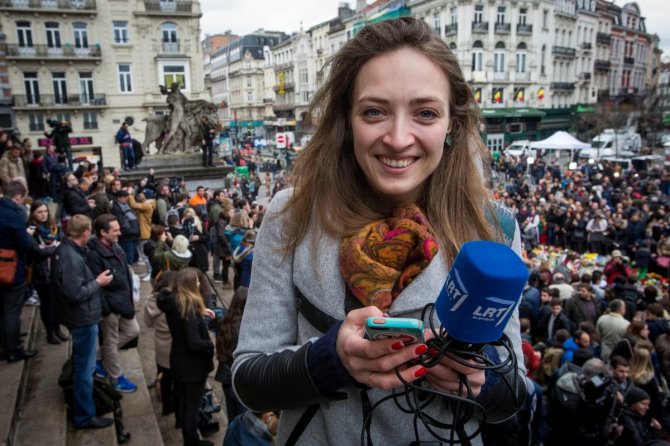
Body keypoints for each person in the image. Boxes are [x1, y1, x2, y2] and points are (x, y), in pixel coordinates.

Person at [231, 18, 525, 445]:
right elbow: (248, 381)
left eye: (425, 112)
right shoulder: (291, 215)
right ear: (347, 121)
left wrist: (482, 382)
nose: (398, 137)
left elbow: (513, 393)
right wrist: (329, 360)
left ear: (452, 125)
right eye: (374, 111)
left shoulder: (493, 229)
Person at [52, 214, 114, 429]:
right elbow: (75, 293)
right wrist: (98, 282)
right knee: (84, 370)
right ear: (85, 232)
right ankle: (84, 416)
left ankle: (84, 410)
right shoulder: (69, 256)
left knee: (83, 366)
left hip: (81, 316)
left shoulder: (69, 250)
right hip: (82, 319)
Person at [158, 268, 215, 446]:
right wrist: (210, 344)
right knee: (192, 407)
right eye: (197, 281)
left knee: (183, 401)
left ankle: (185, 431)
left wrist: (201, 312)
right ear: (191, 285)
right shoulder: (188, 307)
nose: (199, 283)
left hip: (179, 359)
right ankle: (192, 442)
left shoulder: (174, 302)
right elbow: (194, 343)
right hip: (192, 366)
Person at [86, 214, 140, 393]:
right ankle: (116, 377)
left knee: (133, 331)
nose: (120, 232)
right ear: (103, 232)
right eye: (115, 230)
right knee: (111, 340)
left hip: (123, 301)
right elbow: (97, 284)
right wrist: (107, 309)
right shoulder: (94, 254)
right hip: (110, 306)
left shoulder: (115, 246)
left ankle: (98, 357)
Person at [0, 181, 37, 362]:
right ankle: (13, 349)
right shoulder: (14, 214)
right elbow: (24, 243)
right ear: (18, 197)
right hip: (10, 268)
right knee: (12, 311)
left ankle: (4, 345)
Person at [27, 199, 68, 345]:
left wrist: (55, 248)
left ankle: (57, 329)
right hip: (41, 272)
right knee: (47, 304)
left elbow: (63, 241)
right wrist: (54, 248)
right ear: (33, 213)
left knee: (56, 302)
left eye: (45, 211)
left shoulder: (53, 227)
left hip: (55, 269)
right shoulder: (32, 230)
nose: (43, 215)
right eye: (39, 212)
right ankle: (50, 332)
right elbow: (37, 252)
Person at [144, 270, 177, 416]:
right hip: (173, 344)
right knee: (172, 377)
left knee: (162, 373)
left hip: (159, 343)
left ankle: (165, 402)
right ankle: (171, 404)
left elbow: (148, 323)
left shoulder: (151, 301)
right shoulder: (173, 302)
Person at [215, 286, 248, 423]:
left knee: (232, 417)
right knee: (242, 422)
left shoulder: (223, 322)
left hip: (226, 376)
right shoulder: (245, 328)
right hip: (240, 381)